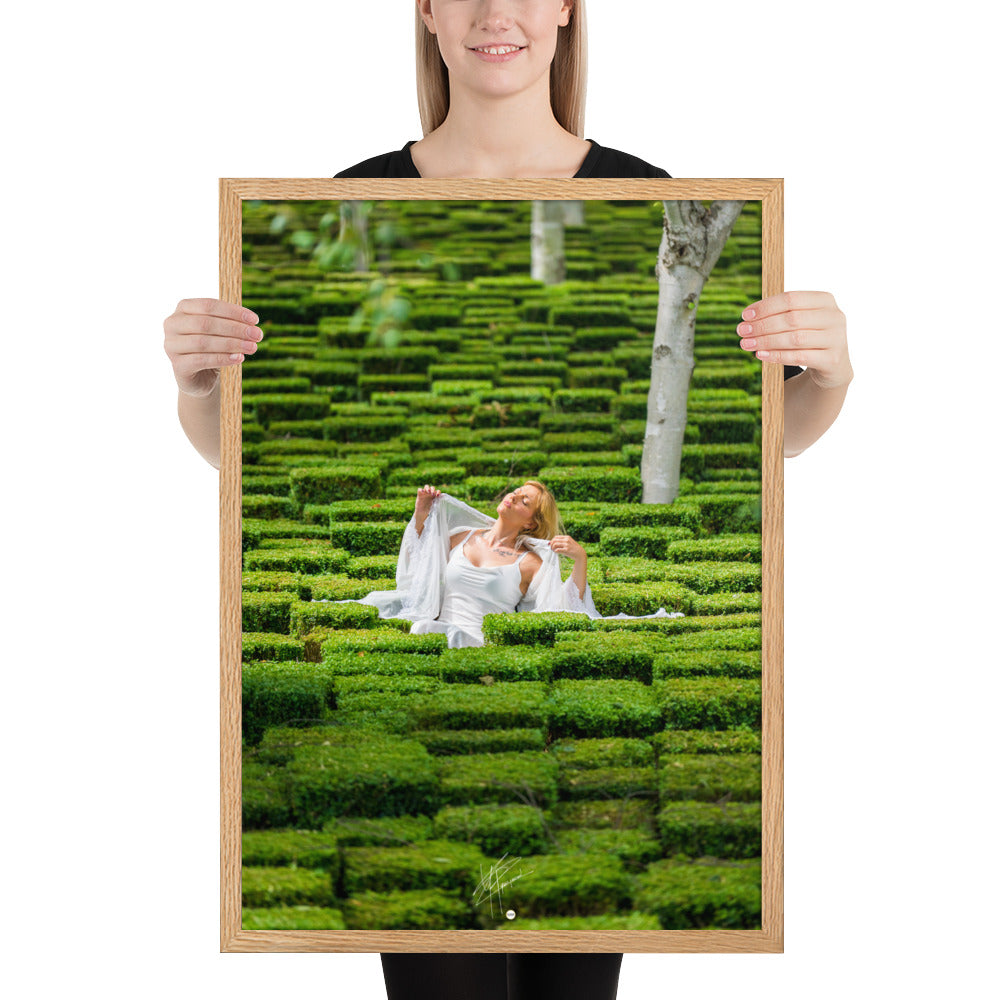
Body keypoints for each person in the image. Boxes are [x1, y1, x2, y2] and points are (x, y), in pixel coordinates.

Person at [163, 1, 853, 996]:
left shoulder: (656, 194)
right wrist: (196, 386)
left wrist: (829, 373)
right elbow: (226, 456)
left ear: (568, 9)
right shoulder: (348, 197)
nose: (498, 13)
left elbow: (771, 436)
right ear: (428, 13)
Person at [325, 482, 682, 648]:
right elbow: (416, 568)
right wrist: (421, 515)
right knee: (415, 628)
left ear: (530, 522)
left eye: (524, 500)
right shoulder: (461, 537)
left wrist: (580, 559)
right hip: (433, 623)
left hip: (480, 640)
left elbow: (561, 609)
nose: (512, 496)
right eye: (516, 491)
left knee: (424, 634)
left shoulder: (530, 562)